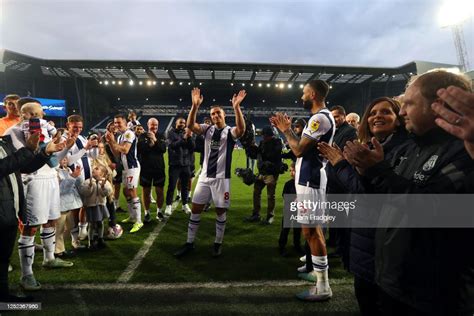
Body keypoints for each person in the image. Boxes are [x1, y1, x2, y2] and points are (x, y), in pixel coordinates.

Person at [343, 70, 474, 315]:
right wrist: (365, 172)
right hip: (392, 283)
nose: (402, 112)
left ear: (439, 105)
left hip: (433, 295)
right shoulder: (409, 148)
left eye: (409, 104)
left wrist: (378, 171)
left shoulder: (464, 151)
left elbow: (436, 211)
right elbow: (386, 200)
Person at [318, 97, 407, 316]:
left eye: (386, 112)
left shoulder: (404, 150)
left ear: (398, 120)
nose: (378, 116)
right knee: (365, 299)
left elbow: (366, 193)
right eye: (373, 112)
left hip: (381, 244)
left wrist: (340, 165)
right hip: (364, 241)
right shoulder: (368, 146)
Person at [271, 79, 334, 302]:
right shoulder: (319, 118)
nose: (302, 97)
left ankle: (323, 286)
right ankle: (317, 274)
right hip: (307, 180)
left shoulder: (319, 119)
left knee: (312, 231)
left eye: (305, 93)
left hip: (311, 181)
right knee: (311, 230)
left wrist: (286, 130)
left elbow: (298, 149)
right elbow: (301, 150)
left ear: (314, 94)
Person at [5, 99, 73, 291]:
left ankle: (50, 258)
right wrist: (37, 146)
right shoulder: (13, 133)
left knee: (51, 220)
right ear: (21, 113)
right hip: (32, 181)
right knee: (30, 226)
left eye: (38, 113)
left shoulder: (47, 130)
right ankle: (27, 275)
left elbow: (54, 158)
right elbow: (22, 161)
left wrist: (62, 147)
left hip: (50, 178)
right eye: (30, 113)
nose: (35, 117)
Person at [174, 88, 245, 258]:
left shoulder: (229, 131)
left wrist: (236, 107)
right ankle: (190, 243)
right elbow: (191, 125)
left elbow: (241, 130)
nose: (215, 116)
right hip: (204, 178)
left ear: (224, 115)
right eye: (213, 114)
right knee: (195, 209)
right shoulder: (207, 129)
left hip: (221, 179)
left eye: (218, 113)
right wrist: (194, 106)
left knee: (220, 212)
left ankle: (217, 243)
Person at [0, 131, 59, 302]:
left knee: (2, 259)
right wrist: (27, 149)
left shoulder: (3, 143)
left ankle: (3, 298)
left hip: (8, 209)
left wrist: (44, 153)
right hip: (2, 210)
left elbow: (20, 167)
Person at [105, 113, 143, 233]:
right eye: (115, 122)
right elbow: (117, 154)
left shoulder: (128, 133)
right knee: (126, 191)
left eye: (119, 122)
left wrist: (113, 142)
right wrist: (111, 142)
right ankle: (132, 216)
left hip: (132, 166)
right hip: (126, 167)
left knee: (132, 191)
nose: (116, 125)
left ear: (125, 123)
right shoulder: (121, 136)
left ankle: (139, 221)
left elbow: (125, 150)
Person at [244, 125, 283, 224]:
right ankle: (256, 214)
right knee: (256, 192)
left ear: (270, 135)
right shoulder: (262, 142)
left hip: (272, 173)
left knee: (270, 196)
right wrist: (251, 147)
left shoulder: (277, 142)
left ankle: (270, 216)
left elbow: (273, 155)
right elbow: (257, 155)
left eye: (264, 135)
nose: (263, 137)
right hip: (262, 172)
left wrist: (260, 150)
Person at [137, 117, 167, 222]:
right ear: (148, 125)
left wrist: (154, 140)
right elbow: (140, 150)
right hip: (146, 168)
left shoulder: (161, 135)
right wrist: (150, 145)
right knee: (146, 191)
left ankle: (159, 211)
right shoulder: (142, 136)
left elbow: (163, 149)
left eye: (156, 125)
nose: (154, 127)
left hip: (159, 168)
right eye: (152, 125)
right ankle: (147, 213)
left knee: (159, 191)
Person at [164, 117, 195, 216]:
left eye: (184, 123)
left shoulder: (187, 132)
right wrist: (184, 138)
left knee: (185, 186)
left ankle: (185, 204)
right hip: (175, 164)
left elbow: (192, 147)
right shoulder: (170, 133)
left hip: (186, 163)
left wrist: (189, 137)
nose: (183, 124)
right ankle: (168, 205)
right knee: (172, 186)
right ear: (176, 123)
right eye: (181, 122)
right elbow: (172, 145)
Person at [79, 165, 113, 249]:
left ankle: (100, 238)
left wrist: (103, 186)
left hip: (101, 205)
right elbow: (84, 192)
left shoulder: (105, 182)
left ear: (102, 173)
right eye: (94, 168)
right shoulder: (87, 181)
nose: (94, 169)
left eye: (97, 168)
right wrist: (89, 186)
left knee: (100, 222)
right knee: (92, 224)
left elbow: (106, 193)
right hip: (91, 206)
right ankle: (91, 241)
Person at [55, 157, 83, 258]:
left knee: (71, 226)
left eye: (66, 158)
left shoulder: (68, 170)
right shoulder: (55, 172)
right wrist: (73, 177)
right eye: (62, 158)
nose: (65, 161)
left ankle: (59, 245)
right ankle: (58, 251)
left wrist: (78, 176)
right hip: (60, 205)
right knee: (59, 228)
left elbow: (76, 184)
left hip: (69, 204)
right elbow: (61, 190)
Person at [19, 102, 58, 167]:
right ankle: (53, 164)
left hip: (36, 144)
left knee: (39, 156)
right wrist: (53, 127)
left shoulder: (23, 124)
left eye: (23, 112)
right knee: (50, 153)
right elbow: (53, 131)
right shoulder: (43, 122)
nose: (21, 114)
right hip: (42, 143)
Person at [277, 163, 302, 257]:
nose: (291, 173)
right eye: (290, 171)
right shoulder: (288, 184)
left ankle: (297, 245)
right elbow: (284, 195)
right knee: (285, 229)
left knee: (297, 228)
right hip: (288, 210)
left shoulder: (301, 184)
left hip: (299, 210)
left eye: (293, 171)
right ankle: (282, 246)